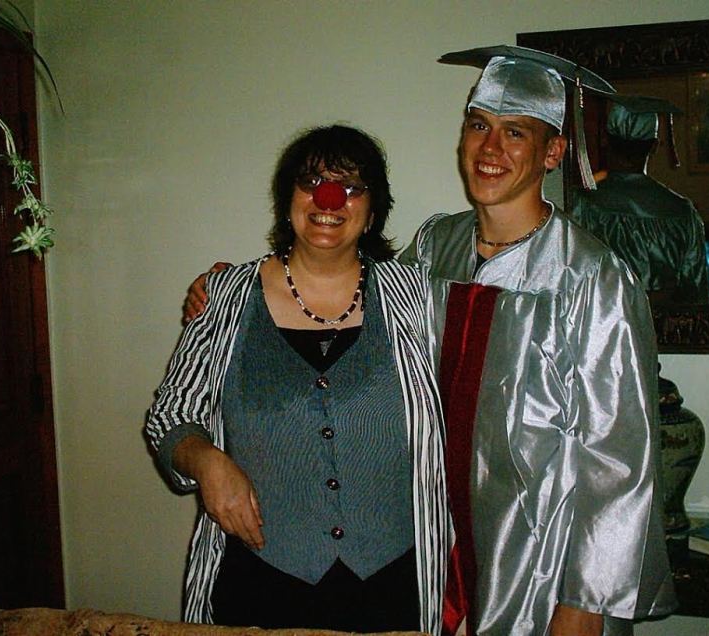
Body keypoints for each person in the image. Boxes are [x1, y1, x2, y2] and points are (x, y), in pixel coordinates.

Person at [184, 47, 676, 636]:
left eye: (515, 132)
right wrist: (228, 287)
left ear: (553, 153)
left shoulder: (592, 277)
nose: (490, 148)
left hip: (542, 557)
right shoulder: (434, 250)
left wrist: (585, 600)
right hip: (433, 551)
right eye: (478, 125)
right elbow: (340, 286)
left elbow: (621, 455)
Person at [146, 125, 447, 634]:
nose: (329, 198)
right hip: (260, 585)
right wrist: (206, 460)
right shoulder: (225, 296)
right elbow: (171, 414)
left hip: (393, 590)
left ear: (373, 211)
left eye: (350, 187)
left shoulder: (418, 296)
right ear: (287, 201)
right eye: (311, 182)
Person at [571, 95, 709, 305]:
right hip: (662, 322)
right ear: (654, 146)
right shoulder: (682, 211)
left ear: (606, 140)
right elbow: (696, 289)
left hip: (603, 320)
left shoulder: (583, 204)